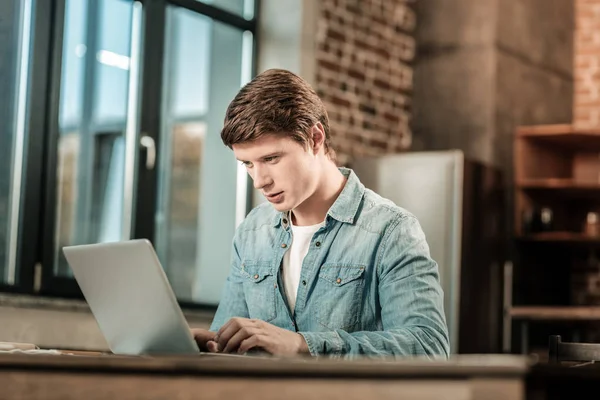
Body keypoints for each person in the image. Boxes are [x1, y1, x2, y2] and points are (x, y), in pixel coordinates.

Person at [191, 68, 450, 358]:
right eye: (248, 164)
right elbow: (231, 341)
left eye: (271, 158)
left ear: (315, 138)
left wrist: (302, 346)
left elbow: (429, 347)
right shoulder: (252, 230)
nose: (259, 180)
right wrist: (212, 345)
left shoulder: (391, 230)